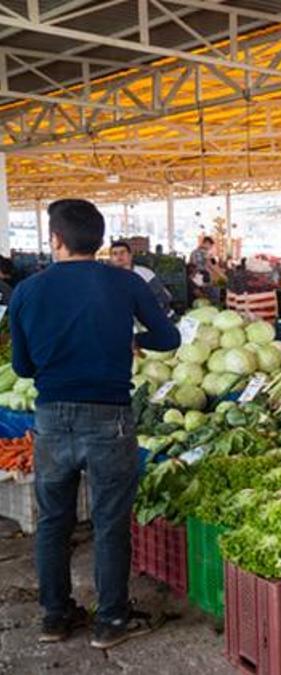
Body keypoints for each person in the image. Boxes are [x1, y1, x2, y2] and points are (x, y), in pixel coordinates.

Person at [10, 200, 180, 648]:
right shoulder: (124, 283)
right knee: (109, 522)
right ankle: (111, 621)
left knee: (54, 521)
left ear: (56, 240)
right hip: (110, 419)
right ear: (101, 241)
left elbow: (23, 368)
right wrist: (129, 339)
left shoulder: (28, 290)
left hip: (51, 419)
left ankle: (55, 616)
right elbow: (169, 338)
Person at [108, 240, 172, 316]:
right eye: (115, 254)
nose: (119, 256)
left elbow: (163, 298)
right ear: (111, 259)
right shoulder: (107, 277)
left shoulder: (145, 273)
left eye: (122, 252)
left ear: (130, 255)